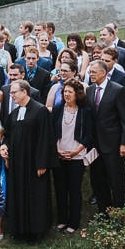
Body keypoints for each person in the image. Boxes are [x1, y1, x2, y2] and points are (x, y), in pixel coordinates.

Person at [1, 80, 57, 241]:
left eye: (14, 92)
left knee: (35, 196)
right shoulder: (14, 113)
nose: (11, 96)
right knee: (17, 194)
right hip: (17, 163)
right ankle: (18, 230)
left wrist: (42, 163)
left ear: (24, 92)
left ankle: (36, 231)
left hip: (34, 163)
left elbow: (46, 139)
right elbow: (8, 135)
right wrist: (5, 146)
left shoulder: (40, 111)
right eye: (11, 93)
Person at [86, 61, 125, 211]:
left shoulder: (118, 90)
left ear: (103, 73)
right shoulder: (90, 90)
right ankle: (103, 211)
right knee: (98, 179)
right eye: (90, 72)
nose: (90, 74)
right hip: (95, 145)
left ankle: (118, 209)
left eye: (94, 72)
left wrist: (124, 143)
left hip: (113, 144)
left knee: (116, 178)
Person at [51, 80, 94, 233]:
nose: (66, 94)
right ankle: (62, 220)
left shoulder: (85, 111)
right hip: (60, 155)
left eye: (70, 92)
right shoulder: (57, 109)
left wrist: (76, 151)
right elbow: (52, 132)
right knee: (60, 189)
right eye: (64, 92)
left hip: (77, 156)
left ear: (77, 94)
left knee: (74, 190)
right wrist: (57, 150)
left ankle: (73, 223)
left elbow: (89, 135)